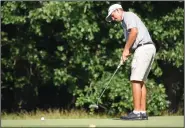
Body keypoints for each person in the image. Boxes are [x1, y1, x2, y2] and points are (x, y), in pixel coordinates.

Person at [105, 4, 156, 120]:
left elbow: (134, 32)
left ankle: (137, 112)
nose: (113, 19)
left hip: (143, 48)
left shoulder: (127, 16)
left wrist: (126, 49)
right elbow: (132, 42)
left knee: (135, 80)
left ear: (118, 10)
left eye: (112, 16)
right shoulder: (125, 23)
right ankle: (142, 112)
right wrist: (127, 53)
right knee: (141, 81)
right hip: (147, 48)